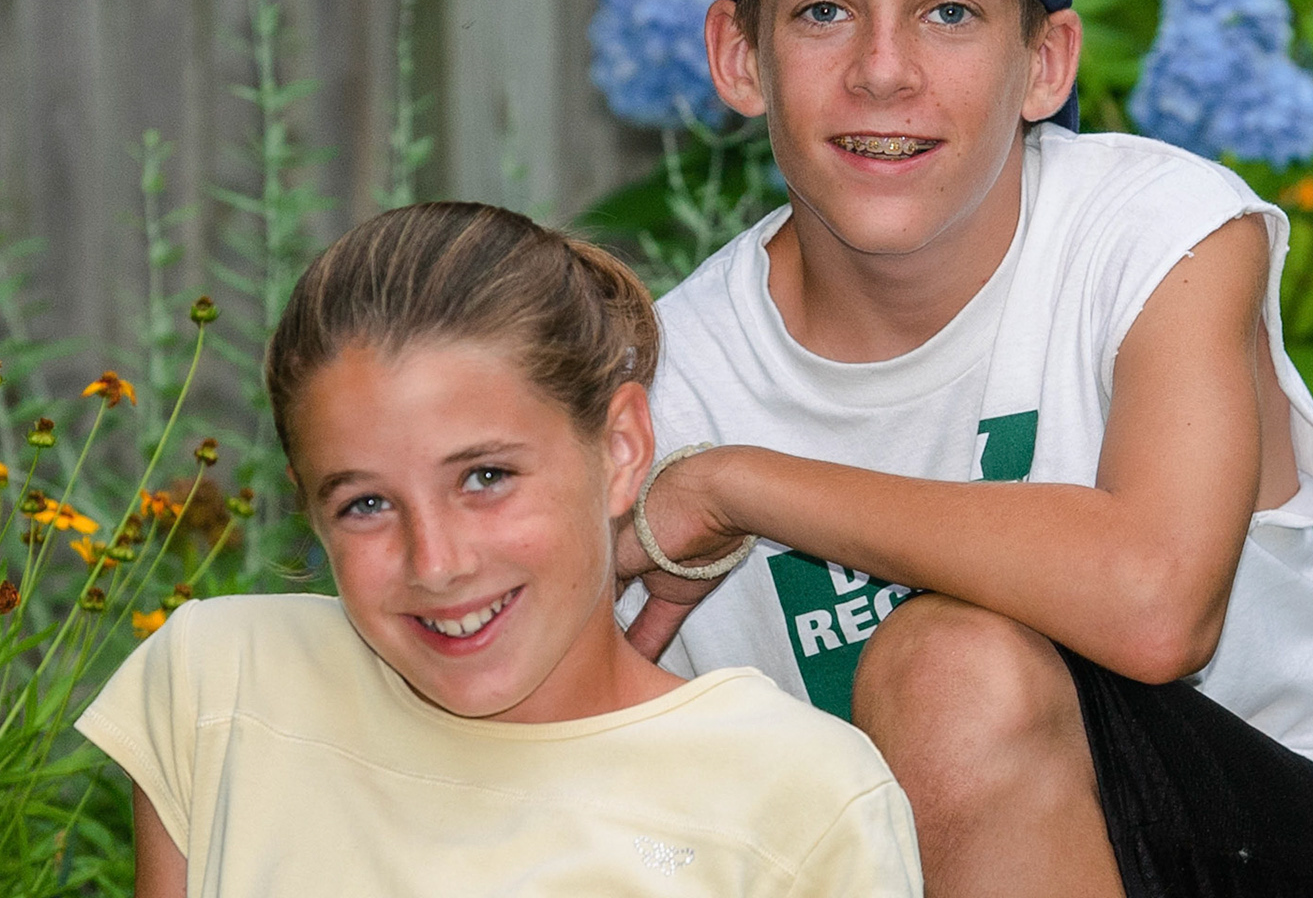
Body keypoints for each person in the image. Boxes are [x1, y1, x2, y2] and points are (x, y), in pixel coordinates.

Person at [612, 0, 1313, 895]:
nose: (883, 70)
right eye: (824, 9)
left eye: (950, 11)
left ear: (1045, 62)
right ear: (740, 56)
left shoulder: (1155, 234)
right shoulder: (667, 387)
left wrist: (736, 486)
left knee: (955, 672)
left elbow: (1156, 603)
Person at [76, 203, 923, 896]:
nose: (437, 563)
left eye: (485, 478)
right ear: (308, 504)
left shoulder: (795, 800)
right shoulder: (223, 685)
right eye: (366, 503)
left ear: (621, 448)